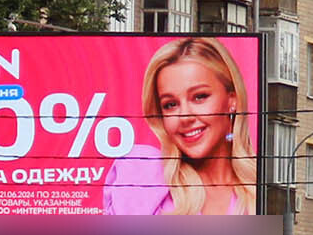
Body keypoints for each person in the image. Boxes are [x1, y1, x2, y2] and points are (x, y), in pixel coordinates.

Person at [101, 37, 257, 216]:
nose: (185, 116)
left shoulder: (258, 186)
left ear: (232, 100)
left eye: (199, 97)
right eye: (170, 104)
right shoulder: (143, 170)